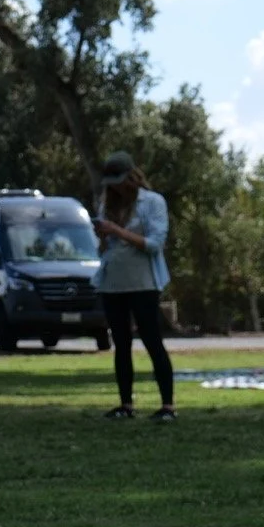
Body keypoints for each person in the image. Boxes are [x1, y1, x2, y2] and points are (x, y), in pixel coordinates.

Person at [93, 150, 176, 423]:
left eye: (119, 180)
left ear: (131, 176)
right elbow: (107, 247)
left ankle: (167, 406)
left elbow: (154, 244)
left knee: (152, 341)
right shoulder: (107, 205)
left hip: (143, 282)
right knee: (121, 344)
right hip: (113, 281)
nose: (115, 186)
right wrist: (103, 234)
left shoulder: (152, 202)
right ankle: (125, 404)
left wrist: (118, 231)